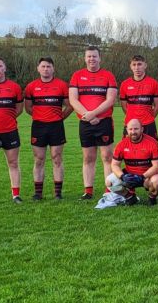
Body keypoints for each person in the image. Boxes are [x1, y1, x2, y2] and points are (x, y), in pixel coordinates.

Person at [69, 46, 117, 200]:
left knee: (107, 157)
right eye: (89, 56)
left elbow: (110, 100)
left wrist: (93, 114)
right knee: (88, 158)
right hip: (85, 122)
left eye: (94, 56)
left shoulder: (108, 75)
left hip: (103, 122)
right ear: (84, 58)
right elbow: (73, 99)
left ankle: (109, 189)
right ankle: (88, 191)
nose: (92, 59)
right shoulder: (77, 76)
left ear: (99, 58)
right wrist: (88, 116)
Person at [24, 57, 73, 200]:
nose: (46, 69)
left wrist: (60, 117)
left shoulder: (62, 85)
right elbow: (28, 108)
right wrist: (40, 116)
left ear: (53, 68)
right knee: (39, 159)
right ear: (38, 68)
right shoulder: (31, 86)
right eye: (43, 66)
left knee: (56, 158)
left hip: (56, 126)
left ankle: (58, 193)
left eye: (49, 66)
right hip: (39, 126)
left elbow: (70, 105)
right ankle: (38, 193)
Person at [106, 119, 158, 205]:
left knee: (157, 181)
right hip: (129, 176)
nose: (133, 132)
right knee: (109, 182)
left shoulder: (152, 143)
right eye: (130, 129)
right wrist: (123, 177)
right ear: (127, 130)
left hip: (146, 177)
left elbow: (157, 166)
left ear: (142, 129)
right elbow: (114, 165)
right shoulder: (121, 144)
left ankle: (152, 198)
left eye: (136, 129)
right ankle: (130, 197)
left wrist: (142, 177)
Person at [0, 56, 24, 203]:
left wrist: (8, 119)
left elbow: (19, 109)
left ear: (5, 68)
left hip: (10, 131)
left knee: (13, 163)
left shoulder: (15, 87)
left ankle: (16, 195)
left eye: (0, 66)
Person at [119, 55, 158, 139]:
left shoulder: (154, 83)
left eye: (139, 64)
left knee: (151, 150)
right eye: (134, 65)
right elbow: (124, 106)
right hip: (130, 124)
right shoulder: (125, 84)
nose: (137, 67)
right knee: (129, 151)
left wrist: (149, 117)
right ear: (130, 66)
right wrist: (132, 118)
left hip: (148, 124)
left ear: (145, 65)